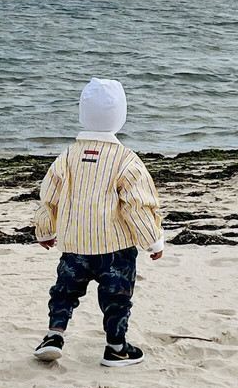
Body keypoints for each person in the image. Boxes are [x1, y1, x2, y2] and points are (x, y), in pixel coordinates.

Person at [31, 77, 164, 366]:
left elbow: (49, 195)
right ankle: (116, 347)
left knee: (65, 291)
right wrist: (152, 240)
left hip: (75, 243)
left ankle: (55, 334)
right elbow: (137, 205)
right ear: (121, 117)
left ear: (82, 113)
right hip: (115, 248)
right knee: (117, 297)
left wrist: (45, 231)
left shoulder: (68, 156)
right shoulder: (126, 160)